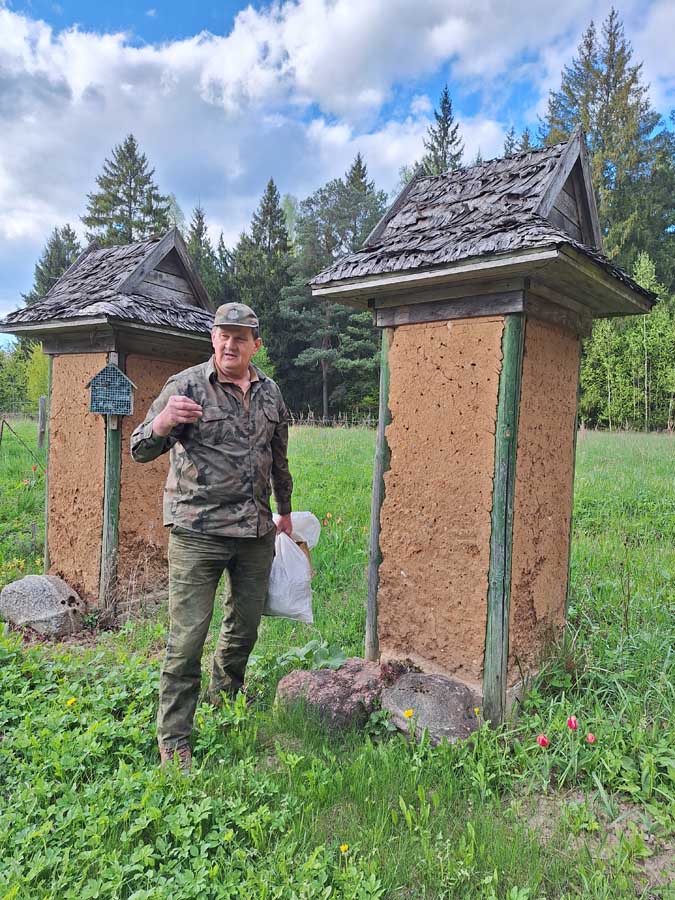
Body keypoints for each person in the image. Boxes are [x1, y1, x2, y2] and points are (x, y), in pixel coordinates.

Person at [130, 302, 293, 770]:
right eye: (223, 335)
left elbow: (279, 458)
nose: (230, 344)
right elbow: (140, 448)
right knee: (187, 640)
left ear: (256, 344)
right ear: (213, 339)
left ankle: (226, 695)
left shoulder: (270, 393)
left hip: (255, 530)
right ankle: (174, 737)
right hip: (198, 531)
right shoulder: (185, 386)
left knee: (245, 627)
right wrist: (162, 423)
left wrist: (284, 512)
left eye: (240, 337)